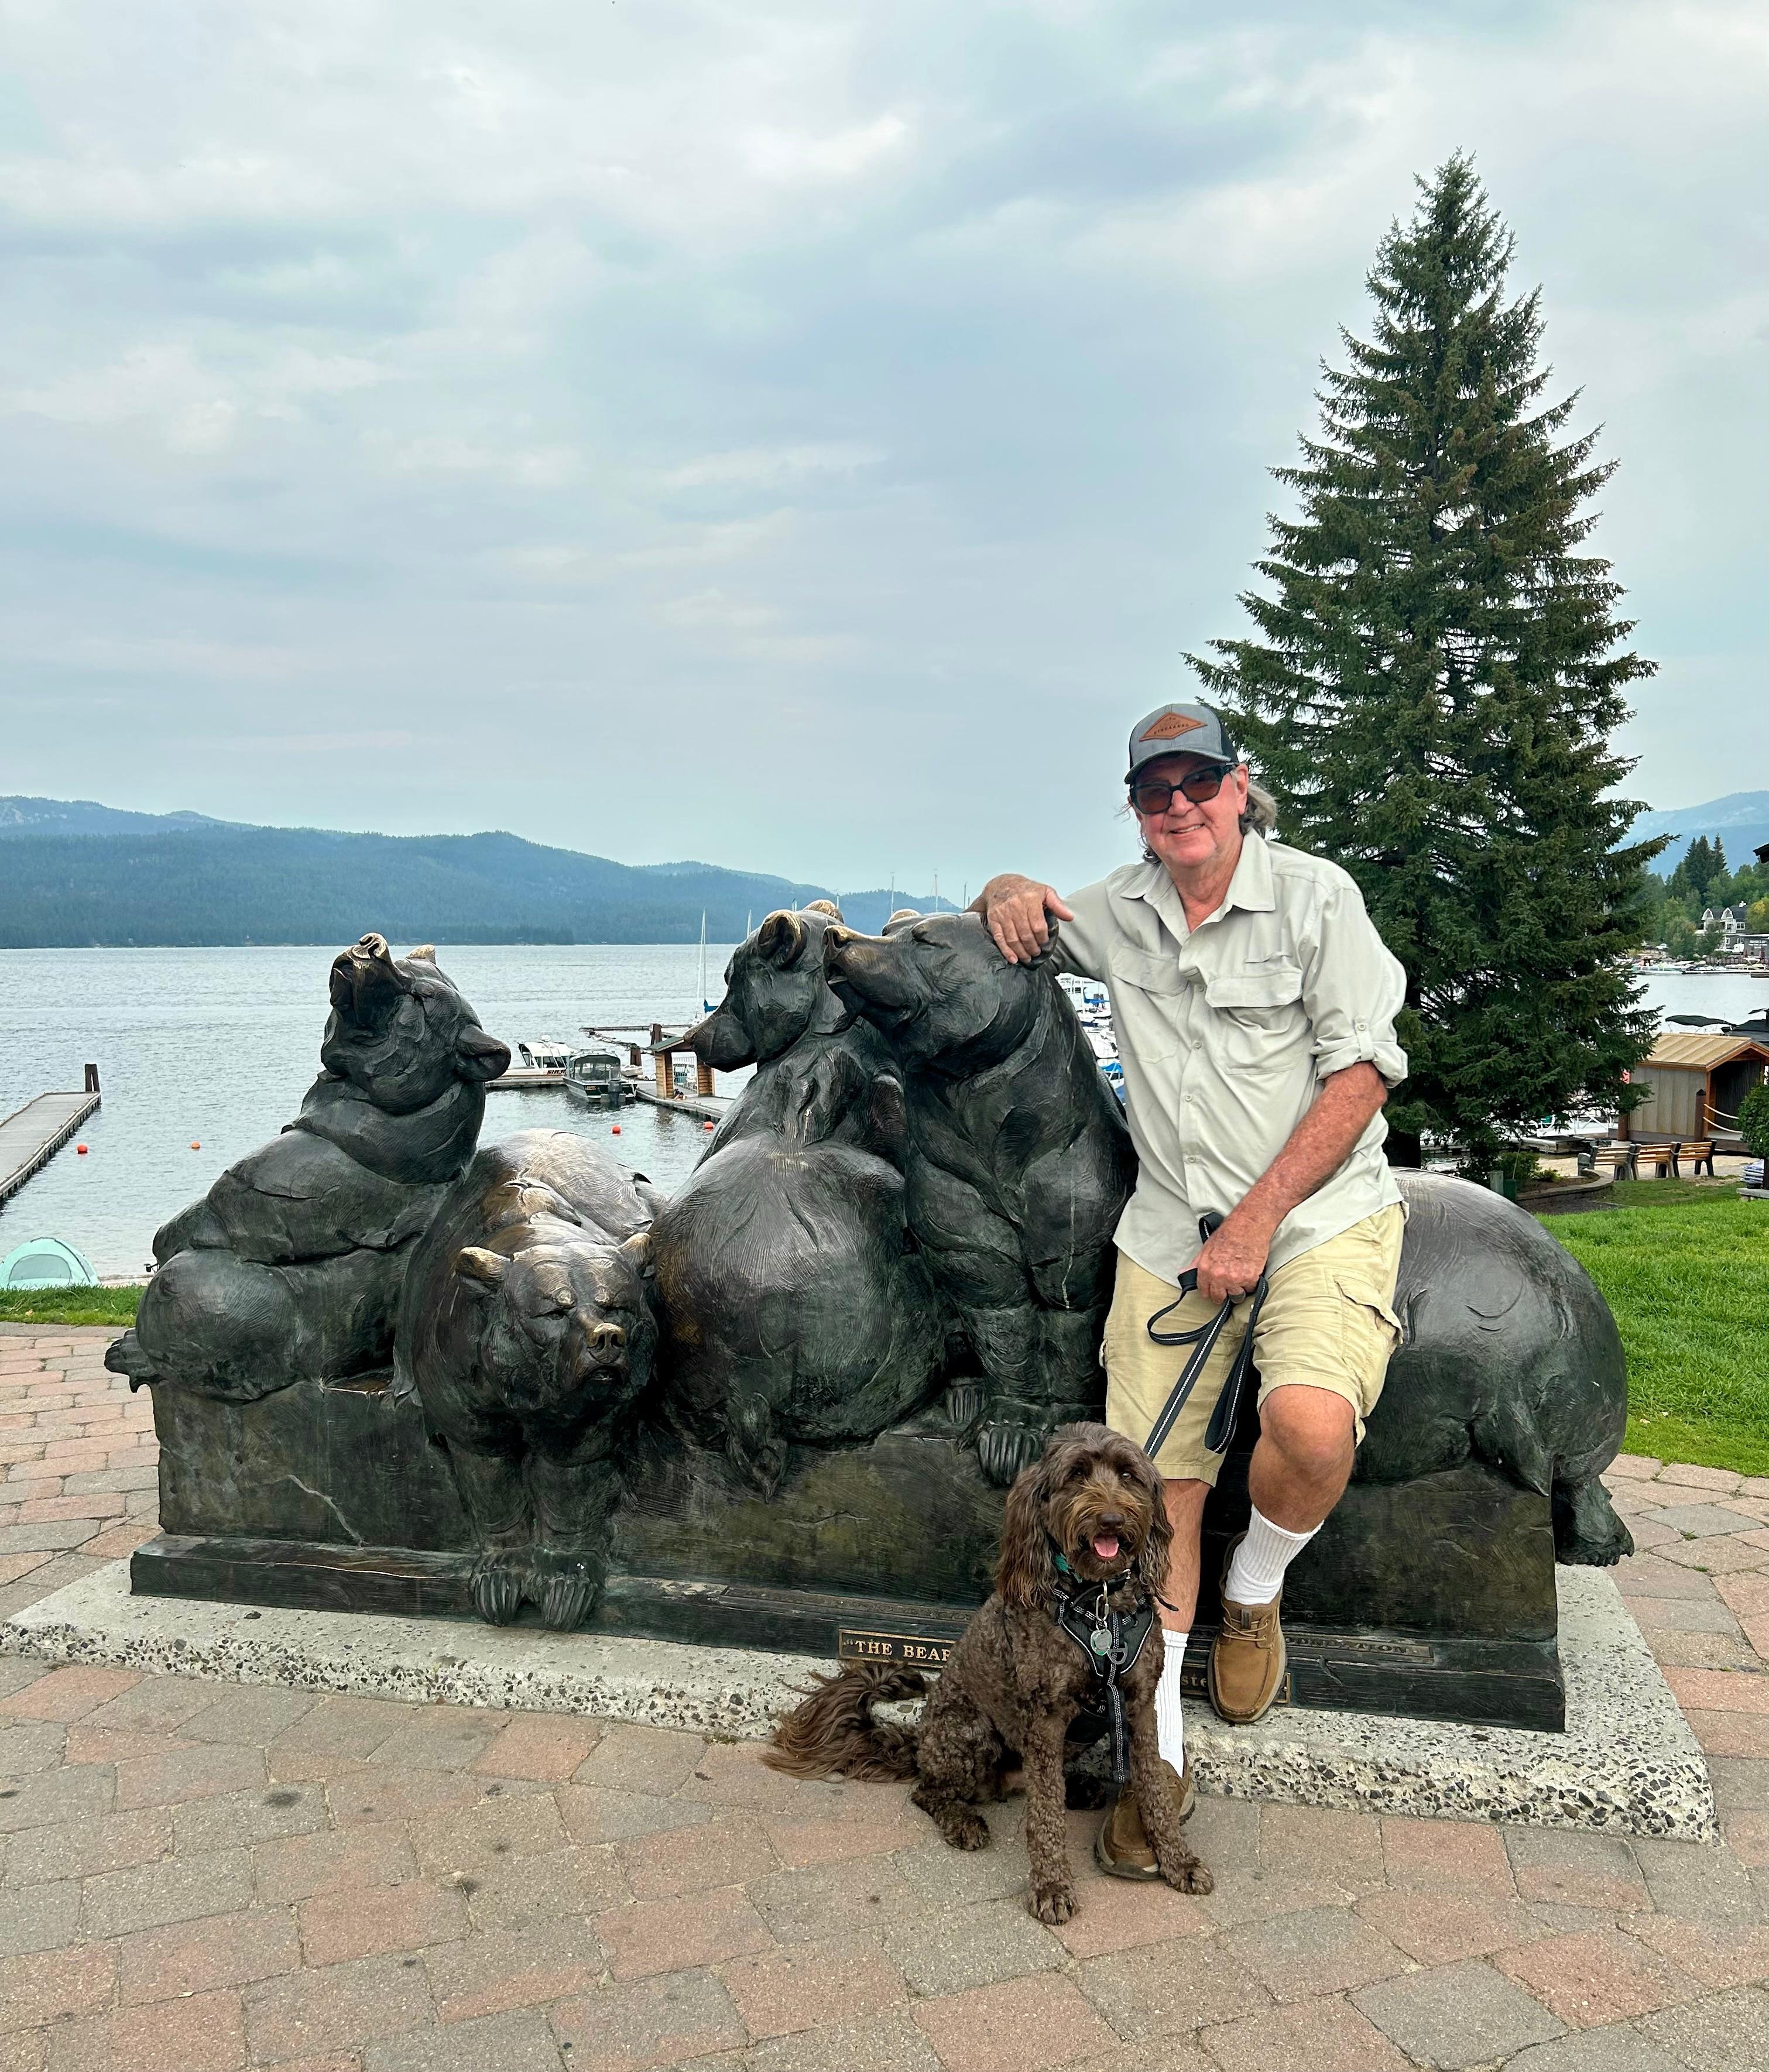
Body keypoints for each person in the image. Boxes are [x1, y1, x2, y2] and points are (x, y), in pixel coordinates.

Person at [972, 698, 1407, 1882]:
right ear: (1135, 809)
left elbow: (1362, 1073)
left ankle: (1256, 1590)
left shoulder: (1318, 901)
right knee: (1138, 1505)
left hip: (1315, 1218)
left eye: (1195, 785)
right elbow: (1015, 925)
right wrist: (1003, 883)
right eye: (1152, 792)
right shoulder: (1115, 910)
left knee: (1308, 1427)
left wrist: (1260, 1221)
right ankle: (1155, 1764)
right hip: (1171, 1232)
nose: (1176, 807)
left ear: (1236, 787)